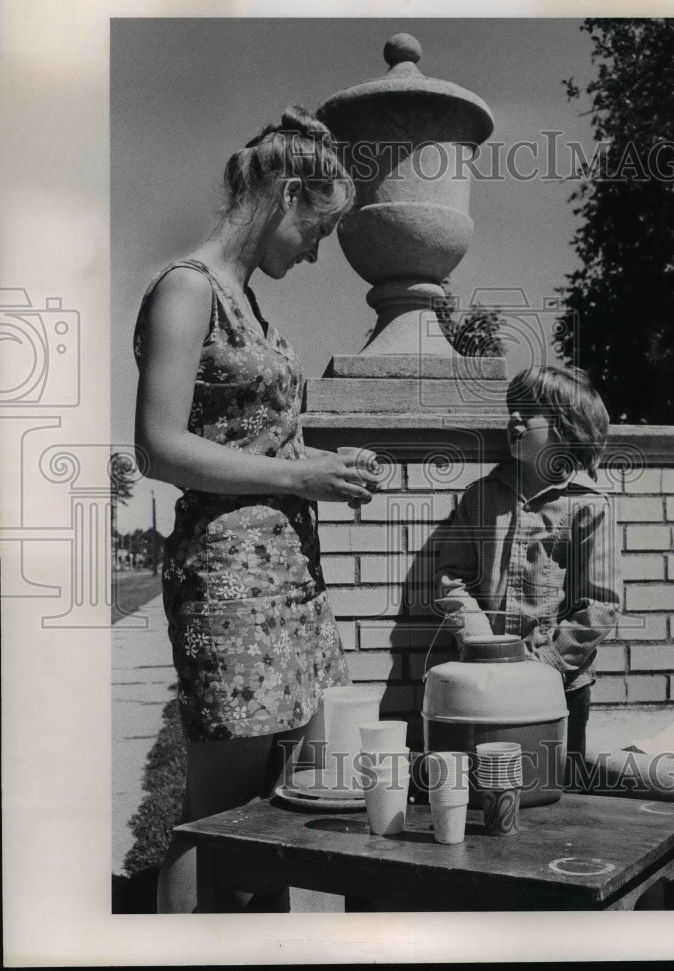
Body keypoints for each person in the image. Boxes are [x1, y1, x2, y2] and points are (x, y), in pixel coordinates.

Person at [133, 105, 382, 912]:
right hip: (229, 586)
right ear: (286, 197)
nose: (314, 254)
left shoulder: (249, 303)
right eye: (318, 232)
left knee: (284, 796)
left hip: (288, 581)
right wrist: (299, 480)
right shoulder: (186, 288)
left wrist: (321, 464)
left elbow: (258, 445)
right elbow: (161, 448)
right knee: (219, 808)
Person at [433, 365, 622, 790]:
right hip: (487, 681)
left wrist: (544, 666)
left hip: (561, 686)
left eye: (529, 412)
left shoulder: (588, 507)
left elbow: (601, 603)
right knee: (491, 786)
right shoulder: (482, 497)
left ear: (566, 428)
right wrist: (481, 642)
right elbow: (452, 577)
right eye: (511, 410)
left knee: (553, 790)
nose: (513, 419)